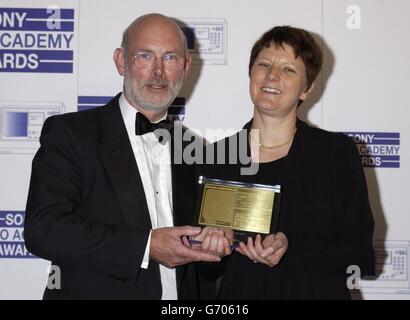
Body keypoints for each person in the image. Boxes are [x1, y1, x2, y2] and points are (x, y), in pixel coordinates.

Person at [24, 13, 222, 300]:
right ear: (121, 61)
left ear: (186, 66)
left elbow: (205, 268)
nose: (158, 72)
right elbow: (43, 230)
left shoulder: (199, 151)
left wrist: (219, 246)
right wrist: (146, 245)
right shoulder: (70, 134)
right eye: (145, 55)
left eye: (170, 58)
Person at [196, 26, 375, 299]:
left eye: (289, 69)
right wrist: (210, 249)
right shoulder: (217, 156)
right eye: (264, 64)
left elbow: (359, 254)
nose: (272, 75)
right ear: (251, 74)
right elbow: (206, 272)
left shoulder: (336, 154)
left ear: (307, 88)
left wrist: (291, 244)